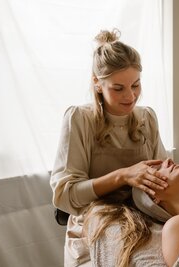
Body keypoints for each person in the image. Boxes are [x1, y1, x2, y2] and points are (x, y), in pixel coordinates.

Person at [50, 28, 169, 267]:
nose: (131, 96)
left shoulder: (146, 118)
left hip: (143, 216)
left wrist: (172, 182)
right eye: (118, 88)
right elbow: (65, 195)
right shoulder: (79, 120)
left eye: (136, 85)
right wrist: (124, 175)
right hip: (96, 223)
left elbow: (160, 172)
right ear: (97, 83)